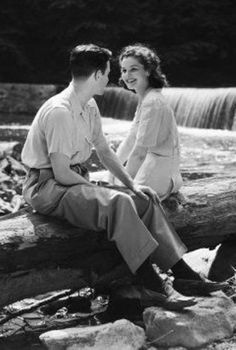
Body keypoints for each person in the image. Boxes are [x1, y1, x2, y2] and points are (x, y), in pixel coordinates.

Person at [21, 44, 225, 310]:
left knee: (144, 198)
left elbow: (104, 151)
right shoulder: (60, 111)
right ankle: (153, 286)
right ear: (96, 74)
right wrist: (103, 191)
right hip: (47, 188)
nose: (110, 78)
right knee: (119, 203)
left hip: (71, 180)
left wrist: (132, 184)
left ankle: (183, 275)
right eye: (107, 73)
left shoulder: (89, 105)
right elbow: (60, 173)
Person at [110, 44, 182, 201]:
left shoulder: (153, 102)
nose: (127, 75)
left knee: (117, 198)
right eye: (123, 70)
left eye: (133, 69)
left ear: (148, 70)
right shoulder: (145, 99)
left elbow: (139, 153)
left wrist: (124, 183)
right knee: (103, 180)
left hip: (161, 175)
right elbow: (130, 141)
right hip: (153, 167)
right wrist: (112, 169)